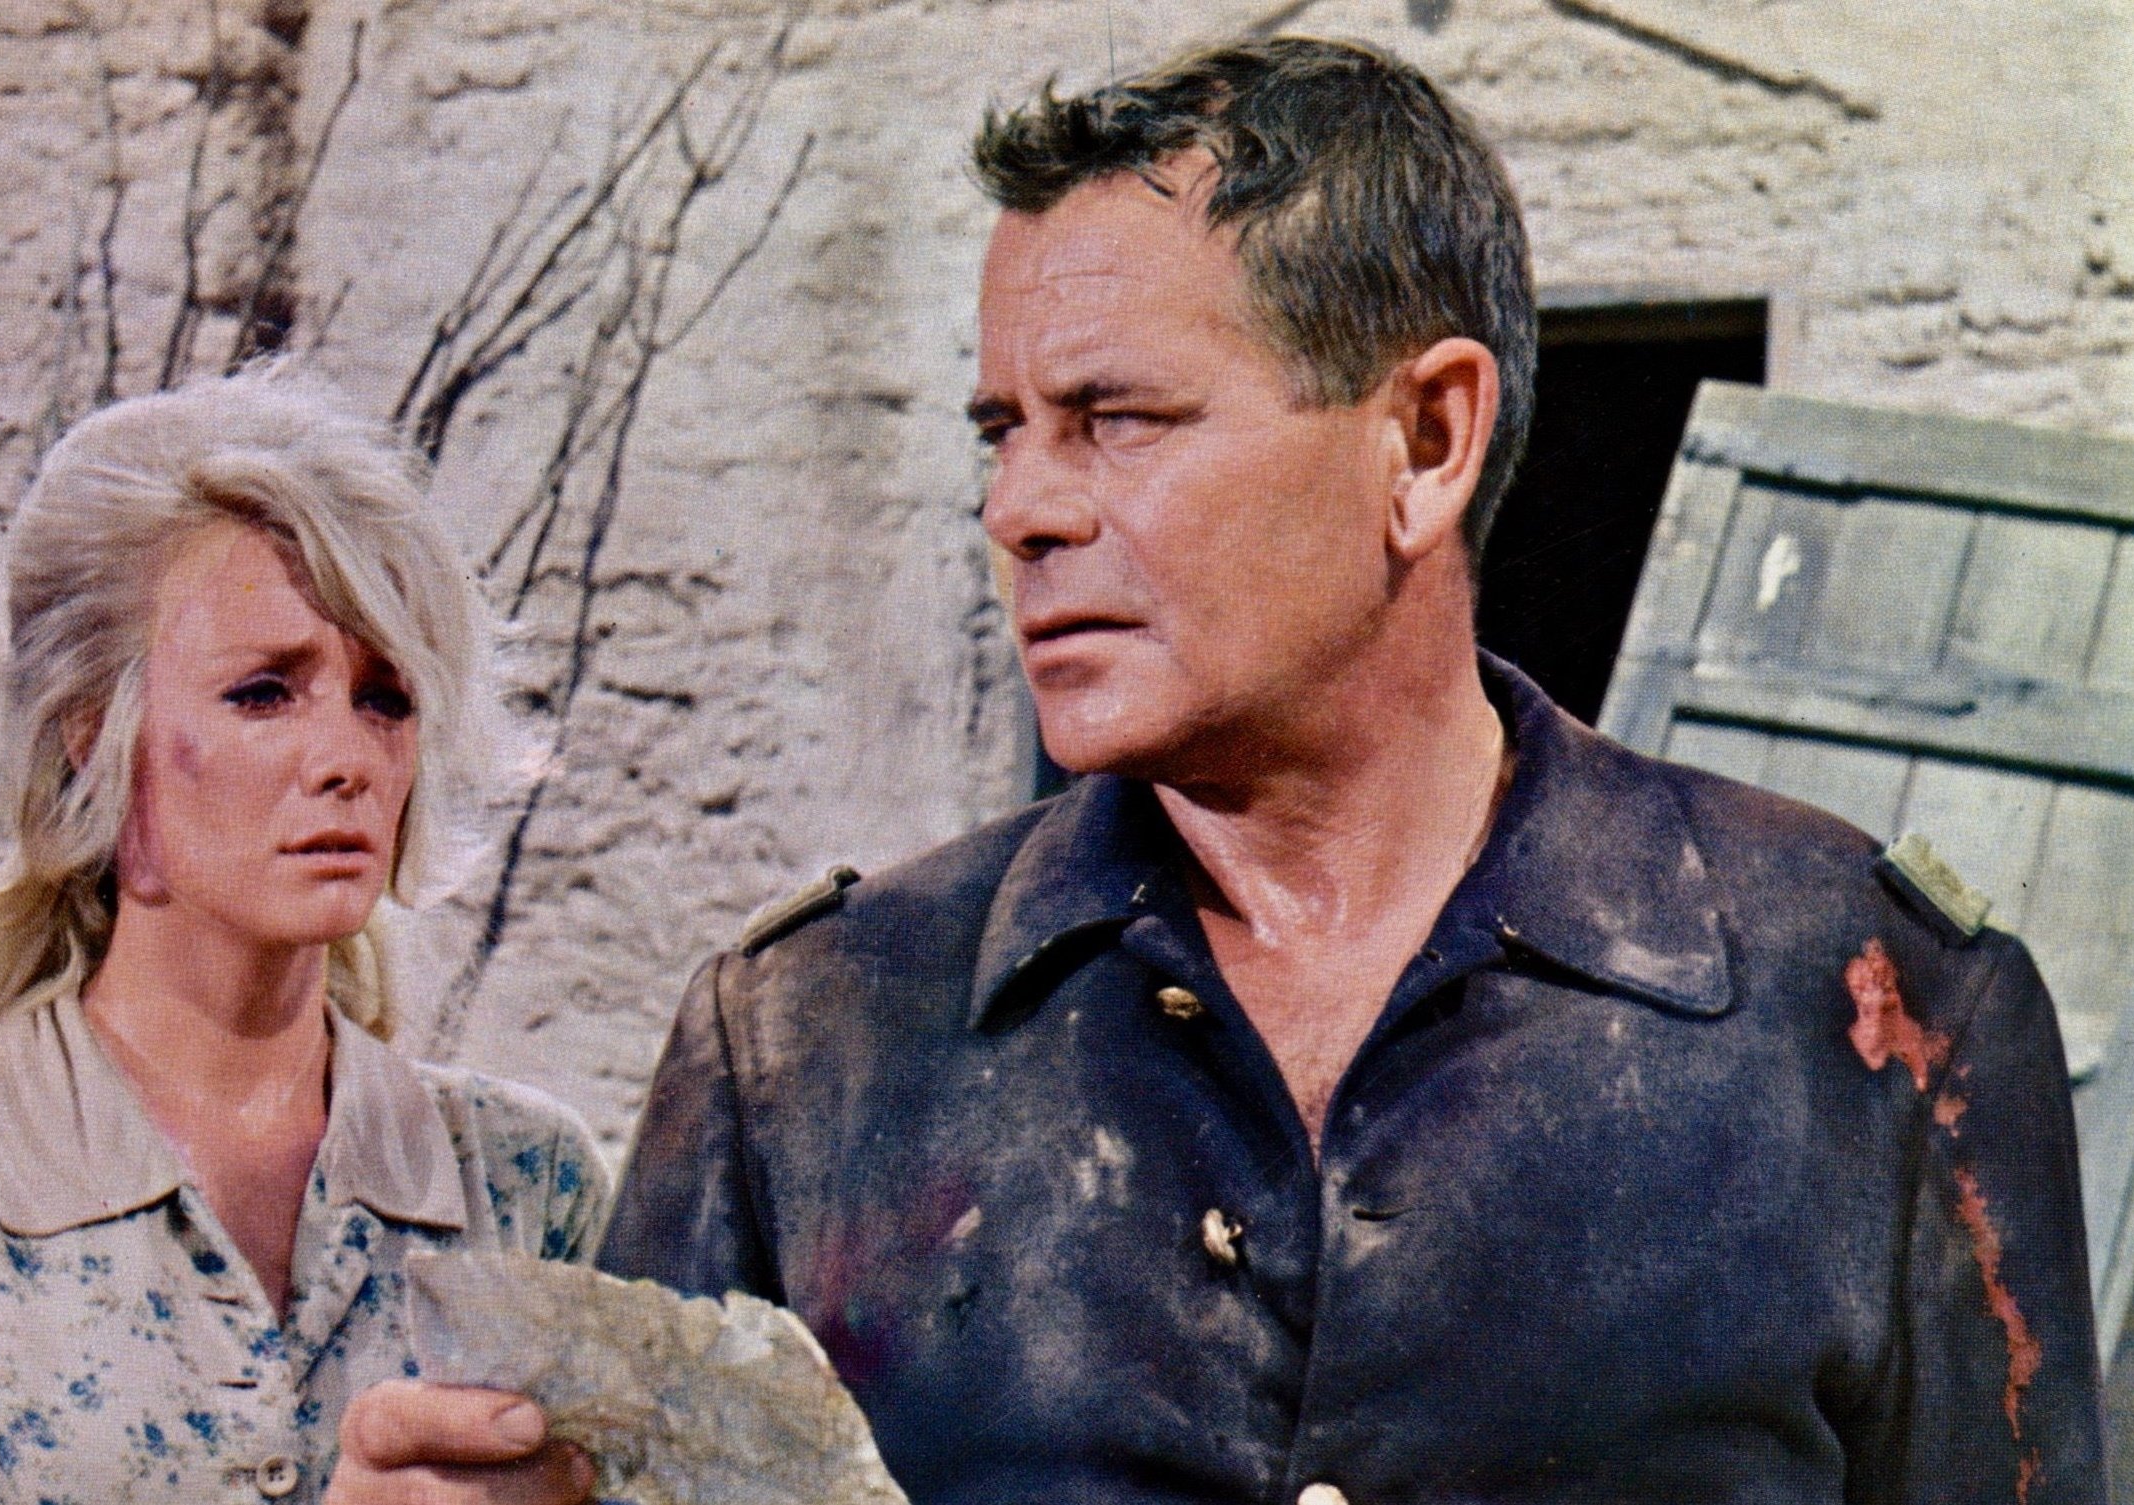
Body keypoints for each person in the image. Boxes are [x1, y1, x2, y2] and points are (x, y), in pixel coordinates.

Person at [362, 34, 2106, 1505]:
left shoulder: (1867, 1019)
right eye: (1002, 433)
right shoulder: (809, 1048)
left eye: (1115, 419)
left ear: (1423, 440)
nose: (1019, 510)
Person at [0, 373, 606, 1503]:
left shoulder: (526, 1183)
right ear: (92, 732)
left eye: (385, 698)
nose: (348, 757)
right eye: (265, 692)